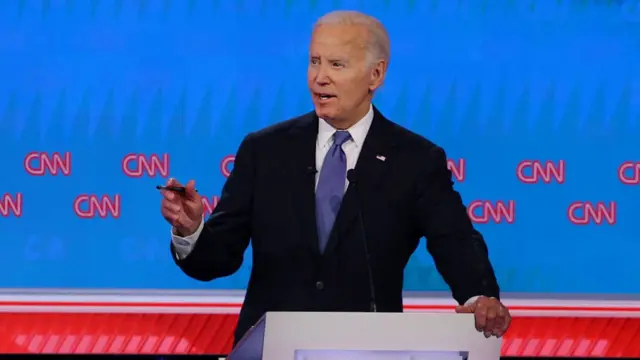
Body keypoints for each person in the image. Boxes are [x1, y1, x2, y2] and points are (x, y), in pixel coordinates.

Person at [160, 10, 511, 345]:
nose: (319, 77)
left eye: (336, 64)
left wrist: (479, 296)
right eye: (314, 61)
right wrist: (192, 231)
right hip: (272, 349)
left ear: (376, 75)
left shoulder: (415, 160)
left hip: (368, 348)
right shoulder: (265, 150)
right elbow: (219, 257)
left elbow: (455, 242)